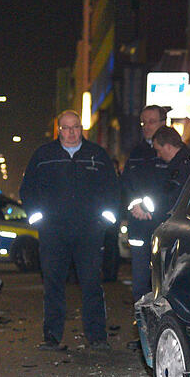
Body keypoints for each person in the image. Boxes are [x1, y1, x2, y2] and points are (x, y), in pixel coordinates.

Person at [19, 109, 119, 353]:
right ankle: (52, 337)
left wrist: (104, 220)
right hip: (53, 232)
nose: (71, 132)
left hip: (89, 232)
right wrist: (38, 217)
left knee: (91, 283)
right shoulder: (44, 155)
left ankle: (97, 337)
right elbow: (28, 189)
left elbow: (113, 189)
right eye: (66, 127)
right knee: (53, 283)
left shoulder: (97, 155)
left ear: (81, 128)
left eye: (75, 127)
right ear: (59, 130)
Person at [122, 105, 169, 306]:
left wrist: (150, 208)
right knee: (140, 284)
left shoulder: (171, 152)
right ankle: (142, 332)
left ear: (163, 123)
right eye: (143, 122)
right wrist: (136, 205)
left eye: (152, 121)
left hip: (163, 226)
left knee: (164, 283)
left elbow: (171, 190)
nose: (147, 126)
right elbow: (125, 185)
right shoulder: (136, 152)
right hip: (139, 227)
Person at [152, 126, 190, 211]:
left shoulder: (184, 169)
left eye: (159, 150)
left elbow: (171, 200)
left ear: (168, 147)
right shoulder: (184, 163)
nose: (158, 155)